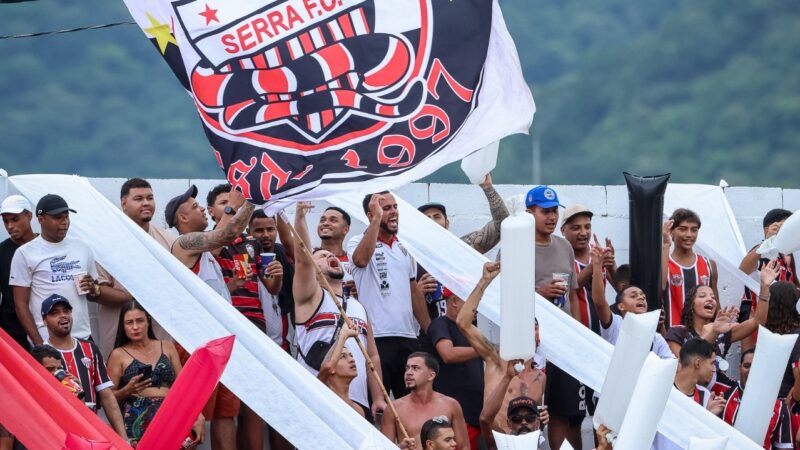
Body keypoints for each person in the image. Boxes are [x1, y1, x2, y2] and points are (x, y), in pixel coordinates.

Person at [167, 185, 254, 450]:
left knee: (226, 412)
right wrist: (247, 202)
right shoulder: (183, 244)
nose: (202, 208)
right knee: (191, 414)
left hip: (220, 341)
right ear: (182, 218)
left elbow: (220, 235)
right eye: (194, 207)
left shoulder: (204, 251)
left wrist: (230, 289)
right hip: (197, 343)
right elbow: (226, 234)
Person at [293, 201, 386, 421]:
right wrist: (300, 217)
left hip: (358, 400)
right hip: (319, 394)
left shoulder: (358, 306)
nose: (328, 256)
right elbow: (302, 259)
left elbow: (372, 355)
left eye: (330, 255)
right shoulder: (310, 298)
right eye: (321, 257)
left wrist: (379, 397)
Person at [348, 192, 429, 398]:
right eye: (386, 208)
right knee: (380, 406)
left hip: (407, 337)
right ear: (370, 214)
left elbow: (413, 290)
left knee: (411, 403)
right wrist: (376, 220)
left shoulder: (404, 246)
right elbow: (360, 261)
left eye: (395, 207)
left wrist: (430, 331)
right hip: (377, 340)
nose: (393, 212)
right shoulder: (357, 242)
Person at [525, 185, 584, 449]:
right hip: (531, 342)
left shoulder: (564, 246)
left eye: (554, 211)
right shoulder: (518, 245)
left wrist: (579, 333)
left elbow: (573, 295)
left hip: (564, 340)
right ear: (529, 213)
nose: (551, 217)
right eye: (544, 211)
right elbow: (503, 294)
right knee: (532, 408)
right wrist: (539, 292)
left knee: (565, 409)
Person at [456, 262, 545, 434]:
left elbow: (536, 421)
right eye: (524, 329)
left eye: (533, 329)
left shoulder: (540, 377)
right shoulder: (497, 358)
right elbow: (463, 322)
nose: (530, 334)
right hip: (494, 442)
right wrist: (484, 281)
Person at [665, 261, 774, 394]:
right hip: (689, 397)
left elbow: (758, 321)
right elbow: (685, 369)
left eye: (713, 297)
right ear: (691, 305)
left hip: (718, 396)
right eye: (702, 296)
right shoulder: (677, 332)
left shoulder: (724, 332)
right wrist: (713, 332)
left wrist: (764, 287)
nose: (710, 299)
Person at [96, 178, 175, 359]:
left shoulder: (167, 240)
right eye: (138, 199)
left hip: (159, 336)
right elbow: (98, 291)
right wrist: (136, 296)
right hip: (118, 338)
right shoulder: (105, 242)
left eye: (150, 198)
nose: (146, 203)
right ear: (124, 203)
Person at [106, 301, 203, 447]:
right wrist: (126, 391)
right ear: (123, 326)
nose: (135, 327)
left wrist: (198, 415)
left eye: (140, 321)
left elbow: (185, 386)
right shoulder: (118, 355)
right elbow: (107, 398)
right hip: (136, 421)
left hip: (172, 415)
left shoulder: (167, 346)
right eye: (129, 323)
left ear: (149, 321)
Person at [417, 174, 509, 320]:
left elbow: (502, 225)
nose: (432, 221)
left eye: (437, 216)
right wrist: (416, 292)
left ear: (447, 224)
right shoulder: (411, 254)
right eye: (426, 218)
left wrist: (488, 188)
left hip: (466, 333)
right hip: (430, 335)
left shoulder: (461, 249)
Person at [9, 194, 98, 345]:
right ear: (41, 219)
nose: (64, 222)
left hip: (82, 337)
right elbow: (20, 305)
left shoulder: (82, 247)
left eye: (66, 216)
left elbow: (94, 291)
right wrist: (40, 345)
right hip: (48, 340)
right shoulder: (25, 253)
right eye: (58, 217)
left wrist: (93, 288)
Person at [40, 295, 128, 439]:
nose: (63, 316)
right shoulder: (40, 355)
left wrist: (123, 439)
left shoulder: (90, 348)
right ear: (44, 320)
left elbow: (106, 396)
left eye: (66, 311)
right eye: (55, 313)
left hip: (90, 431)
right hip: (57, 433)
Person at [589, 245, 674, 358]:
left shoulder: (656, 338)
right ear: (621, 306)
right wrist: (597, 265)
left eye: (643, 296)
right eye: (633, 296)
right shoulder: (615, 325)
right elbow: (599, 302)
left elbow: (670, 363)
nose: (641, 298)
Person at [427, 288, 483, 450]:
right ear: (454, 301)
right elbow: (447, 354)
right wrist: (486, 349)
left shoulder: (473, 332)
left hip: (476, 414)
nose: (476, 307)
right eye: (472, 302)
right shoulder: (440, 324)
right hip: (454, 418)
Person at [381, 352, 470, 450]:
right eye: (407, 368)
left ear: (431, 376)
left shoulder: (451, 405)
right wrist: (399, 448)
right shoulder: (394, 408)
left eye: (415, 368)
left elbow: (464, 447)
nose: (408, 372)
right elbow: (383, 447)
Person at [738, 208, 798, 352]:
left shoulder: (788, 255)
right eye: (783, 229)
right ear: (767, 230)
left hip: (783, 317)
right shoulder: (761, 252)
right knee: (752, 360)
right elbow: (742, 271)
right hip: (757, 315)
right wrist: (767, 242)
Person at [652, 338, 725, 449]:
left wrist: (708, 416)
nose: (713, 369)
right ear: (697, 363)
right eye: (711, 363)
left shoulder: (706, 396)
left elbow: (703, 440)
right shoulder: (661, 389)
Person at [721, 349, 793, 449]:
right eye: (747, 366)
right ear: (739, 368)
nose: (751, 370)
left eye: (757, 366)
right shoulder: (723, 398)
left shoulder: (780, 408)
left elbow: (784, 448)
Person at [560, 204, 616, 334]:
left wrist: (611, 264)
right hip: (577, 336)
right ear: (563, 230)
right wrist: (594, 266)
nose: (584, 233)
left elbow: (621, 288)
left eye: (587, 227)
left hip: (604, 336)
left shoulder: (598, 252)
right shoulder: (560, 257)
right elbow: (566, 291)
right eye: (576, 228)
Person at [661, 208, 719, 328]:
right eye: (683, 229)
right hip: (671, 335)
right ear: (671, 231)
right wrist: (666, 244)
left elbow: (716, 304)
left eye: (694, 230)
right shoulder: (664, 263)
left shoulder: (709, 265)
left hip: (702, 337)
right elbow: (660, 289)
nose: (689, 235)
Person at [249, 209, 295, 349]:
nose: (265, 235)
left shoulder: (283, 252)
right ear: (248, 231)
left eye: (270, 229)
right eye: (259, 230)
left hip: (281, 328)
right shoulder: (242, 254)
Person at [480, 359, 550, 450]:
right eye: (517, 419)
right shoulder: (503, 444)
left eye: (530, 418)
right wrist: (507, 378)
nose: (524, 422)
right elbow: (485, 419)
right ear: (509, 423)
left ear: (537, 421)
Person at [0, 195, 37, 350]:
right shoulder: (1, 252)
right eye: (6, 221)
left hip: (50, 329)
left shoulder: (47, 246)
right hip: (13, 335)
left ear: (29, 216)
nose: (10, 226)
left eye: (14, 220)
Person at [317, 322, 364, 417]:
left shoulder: (358, 410)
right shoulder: (321, 394)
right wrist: (343, 335)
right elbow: (328, 367)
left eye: (351, 355)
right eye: (343, 357)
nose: (351, 359)